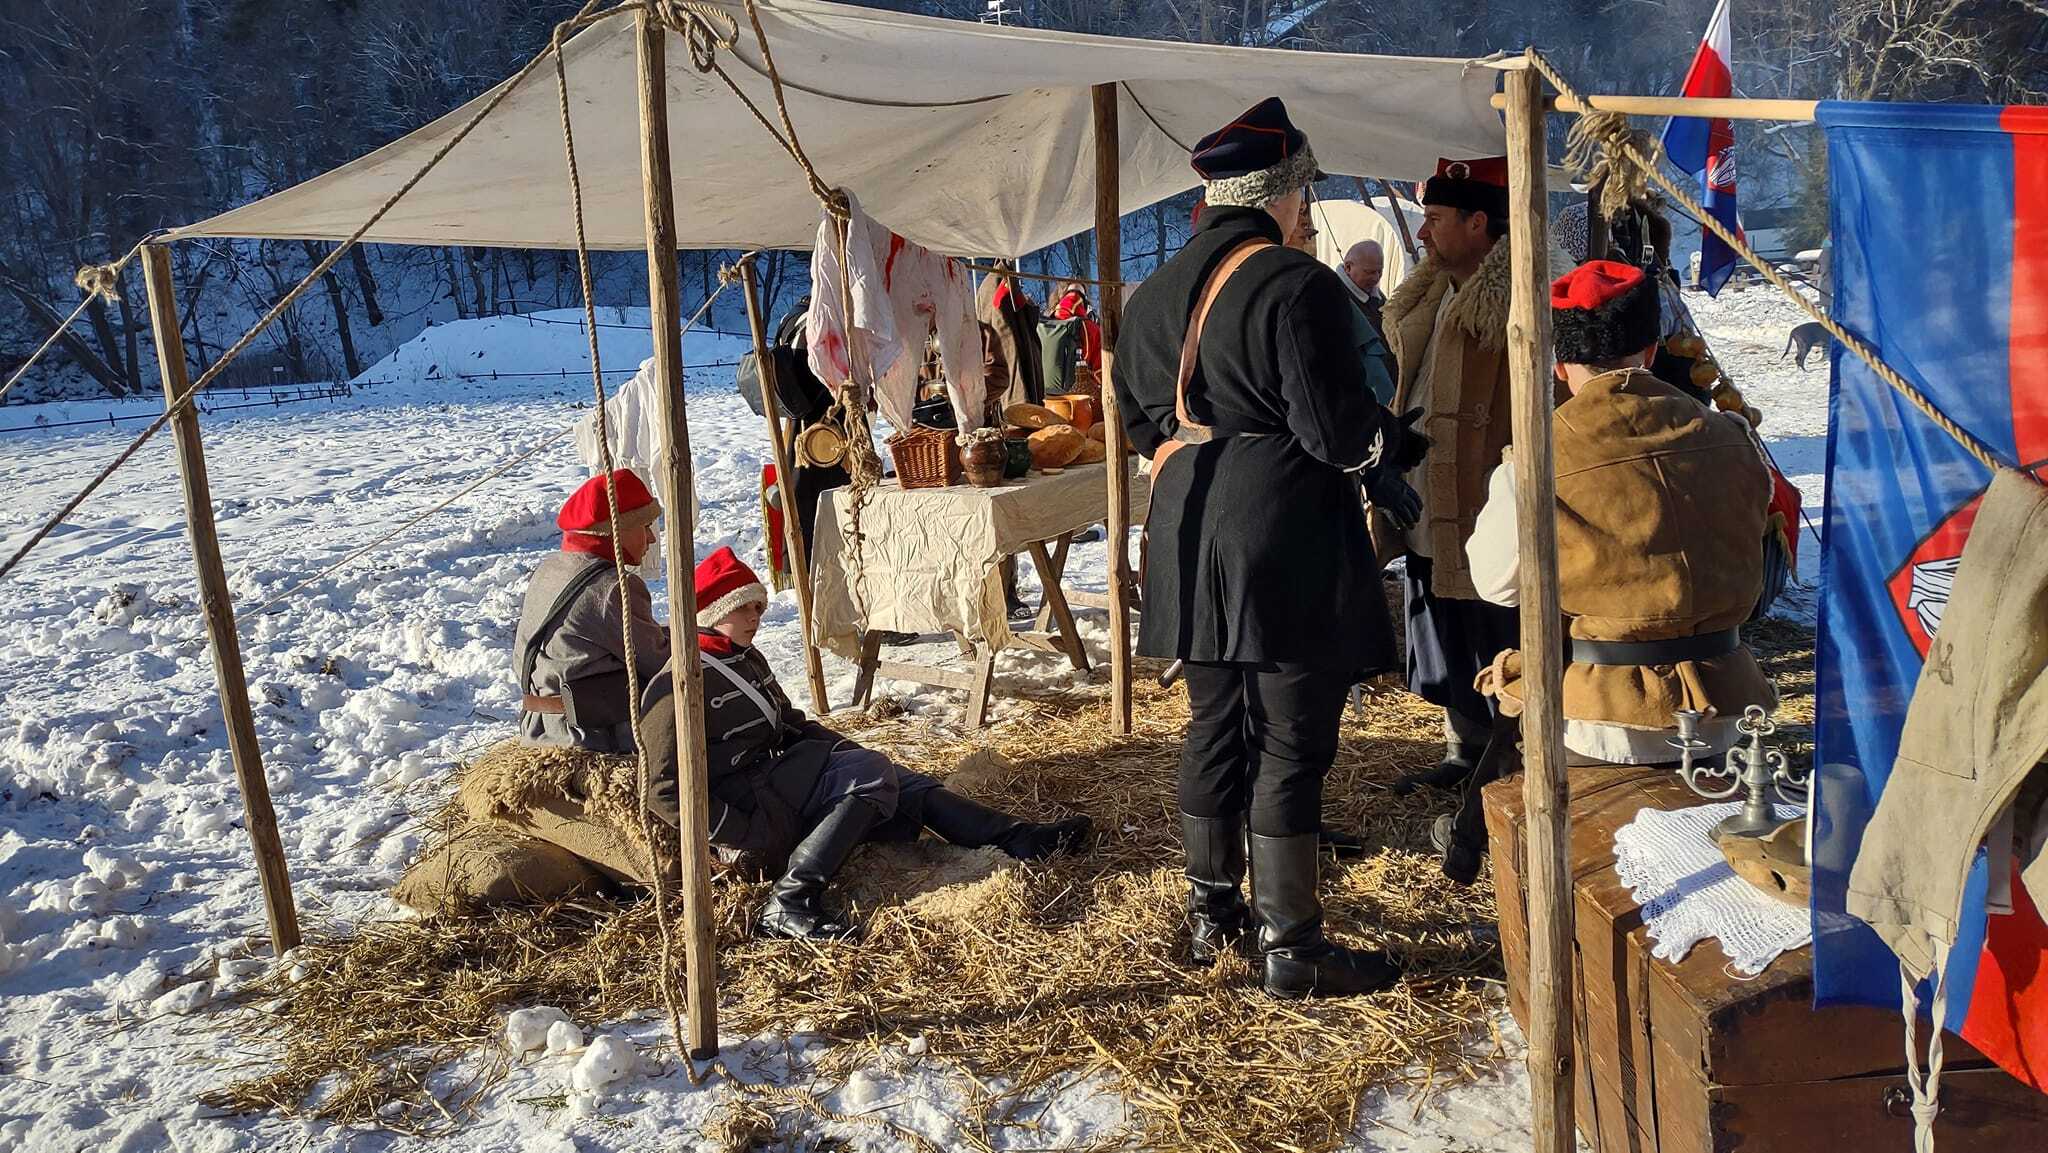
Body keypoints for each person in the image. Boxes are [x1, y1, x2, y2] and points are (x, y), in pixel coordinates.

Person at [1115, 97, 1425, 1000]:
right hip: (1279, 528)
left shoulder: (1152, 294)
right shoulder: (1295, 282)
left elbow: (1137, 421)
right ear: (1281, 195)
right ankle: (1293, 946)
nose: (1304, 208)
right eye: (1302, 192)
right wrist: (1389, 448)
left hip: (1186, 525)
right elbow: (1333, 428)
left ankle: (1211, 913)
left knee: (1214, 723)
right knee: (1290, 735)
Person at [1436, 260, 1775, 881]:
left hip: (1601, 721)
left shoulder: (1540, 456)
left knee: (1598, 883)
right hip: (1728, 707)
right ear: (1650, 351)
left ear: (1559, 364)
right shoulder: (1732, 436)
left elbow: (1495, 583)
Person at [640, 547, 1091, 940]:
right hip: (752, 814)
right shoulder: (681, 679)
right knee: (870, 774)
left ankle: (1020, 840)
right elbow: (662, 788)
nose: (755, 617)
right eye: (743, 608)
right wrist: (740, 832)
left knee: (893, 778)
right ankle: (790, 899)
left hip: (777, 783)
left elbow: (790, 724)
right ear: (712, 611)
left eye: (758, 607)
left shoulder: (742, 656)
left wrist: (852, 754)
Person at [1374, 156, 1520, 797]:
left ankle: (1509, 760)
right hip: (1427, 497)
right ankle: (1464, 749)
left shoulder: (1518, 301)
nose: (1423, 232)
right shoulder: (1433, 296)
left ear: (1478, 222)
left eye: (1435, 218)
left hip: (1486, 501)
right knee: (1444, 629)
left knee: (1495, 633)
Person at [514, 470, 670, 752]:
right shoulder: (613, 587)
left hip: (538, 726)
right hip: (588, 735)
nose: (651, 539)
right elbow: (660, 663)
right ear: (616, 530)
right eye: (645, 526)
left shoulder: (551, 568)